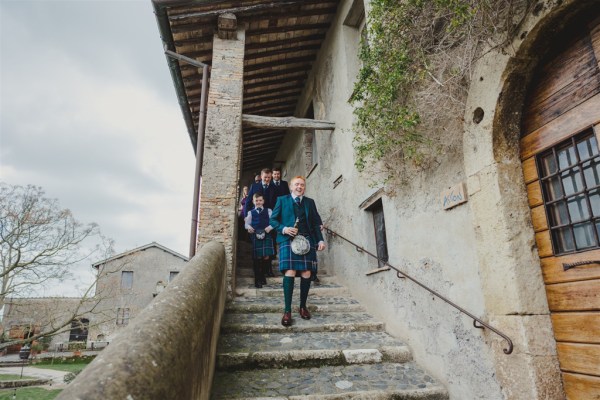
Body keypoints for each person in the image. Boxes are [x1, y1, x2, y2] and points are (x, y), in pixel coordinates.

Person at [270, 176, 326, 327]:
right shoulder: (282, 200)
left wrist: (320, 240)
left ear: (304, 187)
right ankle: (287, 310)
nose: (299, 187)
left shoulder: (310, 202)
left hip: (307, 240)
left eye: (302, 185)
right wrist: (284, 229)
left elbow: (315, 223)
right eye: (296, 184)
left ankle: (303, 306)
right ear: (290, 186)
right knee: (290, 271)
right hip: (288, 240)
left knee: (307, 273)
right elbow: (273, 220)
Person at [244, 193, 274, 288]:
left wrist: (270, 227)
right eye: (256, 200)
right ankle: (258, 280)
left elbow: (273, 221)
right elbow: (247, 224)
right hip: (255, 235)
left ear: (263, 201)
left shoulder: (268, 211)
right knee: (257, 258)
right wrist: (248, 227)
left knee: (266, 257)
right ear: (253, 201)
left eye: (260, 200)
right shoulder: (250, 212)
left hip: (267, 234)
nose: (258, 202)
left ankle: (262, 275)